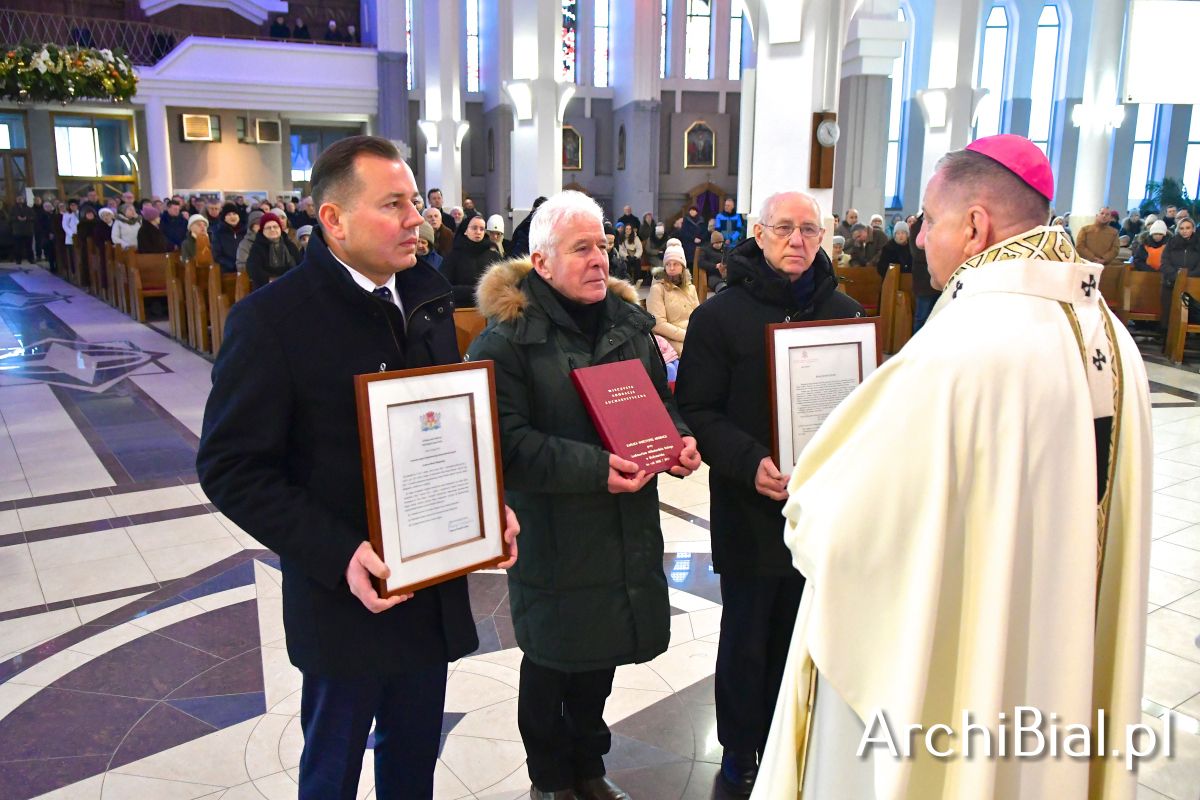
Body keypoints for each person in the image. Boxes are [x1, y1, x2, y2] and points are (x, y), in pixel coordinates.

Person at [754, 134, 1152, 800]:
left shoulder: (963, 348)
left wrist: (808, 499)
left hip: (977, 665)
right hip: (1058, 653)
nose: (920, 239)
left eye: (930, 221)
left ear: (974, 226)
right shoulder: (1110, 335)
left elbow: (840, 522)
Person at [198, 136, 519, 800]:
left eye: (414, 202)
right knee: (333, 769)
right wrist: (338, 552)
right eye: (393, 204)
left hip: (426, 582)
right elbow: (231, 466)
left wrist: (486, 507)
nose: (416, 218)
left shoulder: (426, 299)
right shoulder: (273, 321)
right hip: (343, 596)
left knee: (413, 761)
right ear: (334, 220)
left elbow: (441, 429)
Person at [467, 189, 700, 800]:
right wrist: (596, 468)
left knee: (601, 656)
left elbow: (659, 402)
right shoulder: (506, 340)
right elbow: (506, 443)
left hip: (622, 525)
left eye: (602, 245)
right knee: (552, 661)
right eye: (581, 249)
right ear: (541, 261)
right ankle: (550, 779)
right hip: (554, 532)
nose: (599, 259)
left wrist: (676, 439)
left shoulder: (627, 325)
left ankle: (589, 769)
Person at [674, 191, 863, 796]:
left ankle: (798, 740)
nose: (797, 240)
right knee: (748, 635)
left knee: (806, 631)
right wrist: (749, 460)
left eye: (809, 229)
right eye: (784, 228)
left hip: (821, 509)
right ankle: (742, 747)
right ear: (758, 234)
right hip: (750, 505)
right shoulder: (719, 316)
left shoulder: (845, 313)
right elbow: (698, 408)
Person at [647, 240, 699, 355]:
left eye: (675, 264)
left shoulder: (691, 288)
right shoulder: (658, 289)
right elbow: (658, 324)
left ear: (683, 266)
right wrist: (687, 335)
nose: (671, 268)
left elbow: (699, 317)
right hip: (669, 342)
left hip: (691, 337)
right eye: (668, 264)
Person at [441, 213, 502, 307]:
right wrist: (475, 291)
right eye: (474, 228)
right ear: (465, 231)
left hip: (489, 308)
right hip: (461, 308)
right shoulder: (453, 256)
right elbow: (444, 287)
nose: (478, 232)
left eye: (482, 229)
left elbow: (503, 284)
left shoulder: (493, 255)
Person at [246, 212, 300, 290]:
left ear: (280, 229)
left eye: (275, 226)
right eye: (268, 228)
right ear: (262, 230)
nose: (272, 229)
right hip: (267, 288)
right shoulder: (257, 247)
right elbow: (253, 270)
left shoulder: (289, 244)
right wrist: (272, 280)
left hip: (290, 284)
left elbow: (299, 263)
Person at [1162, 217, 1200, 325]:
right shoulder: (1171, 242)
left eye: (1188, 228)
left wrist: (1188, 277)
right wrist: (1177, 276)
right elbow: (1165, 262)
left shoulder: (1198, 243)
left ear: (1193, 229)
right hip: (1172, 283)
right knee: (1170, 313)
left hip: (1193, 283)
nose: (1184, 231)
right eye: (1181, 228)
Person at [909, 214, 938, 333]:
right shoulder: (916, 226)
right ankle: (916, 343)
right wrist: (937, 254)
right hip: (923, 282)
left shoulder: (939, 222)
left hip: (939, 281)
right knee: (921, 317)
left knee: (937, 318)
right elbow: (917, 253)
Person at [9, 195, 34, 264]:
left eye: (21, 198)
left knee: (29, 246)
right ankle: (18, 260)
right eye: (18, 199)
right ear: (16, 200)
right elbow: (10, 218)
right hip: (17, 231)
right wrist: (17, 218)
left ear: (23, 199)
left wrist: (27, 218)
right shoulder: (13, 209)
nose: (20, 200)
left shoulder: (29, 208)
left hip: (28, 230)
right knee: (18, 247)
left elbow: (34, 217)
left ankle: (31, 259)